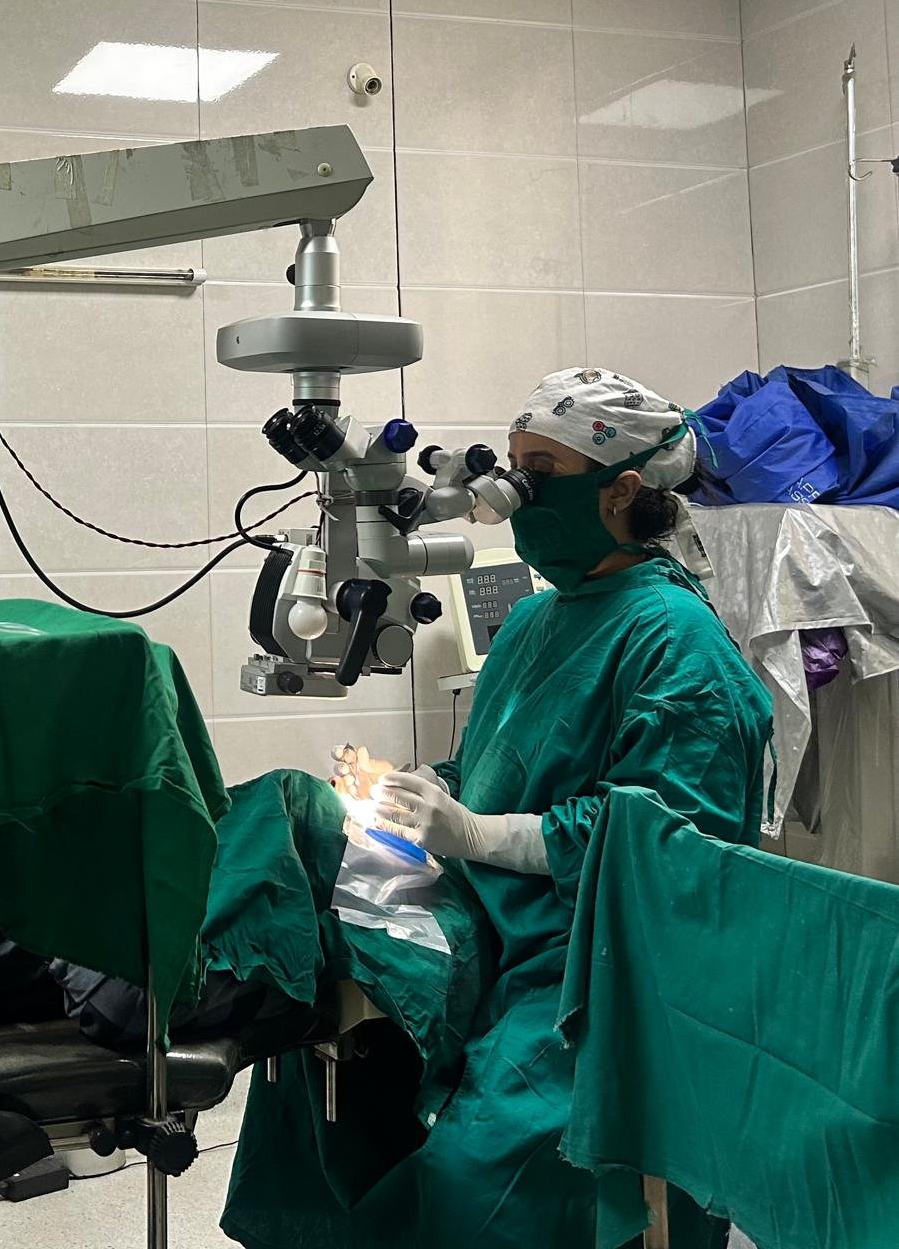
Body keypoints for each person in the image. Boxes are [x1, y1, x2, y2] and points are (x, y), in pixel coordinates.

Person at [222, 368, 774, 1249]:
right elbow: (504, 762)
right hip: (484, 910)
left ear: (621, 491)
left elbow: (668, 849)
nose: (516, 493)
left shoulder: (680, 647)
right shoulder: (535, 622)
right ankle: (171, 991)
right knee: (292, 820)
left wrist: (479, 833)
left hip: (592, 968)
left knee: (472, 1180)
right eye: (511, 467)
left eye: (540, 472)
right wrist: (428, 788)